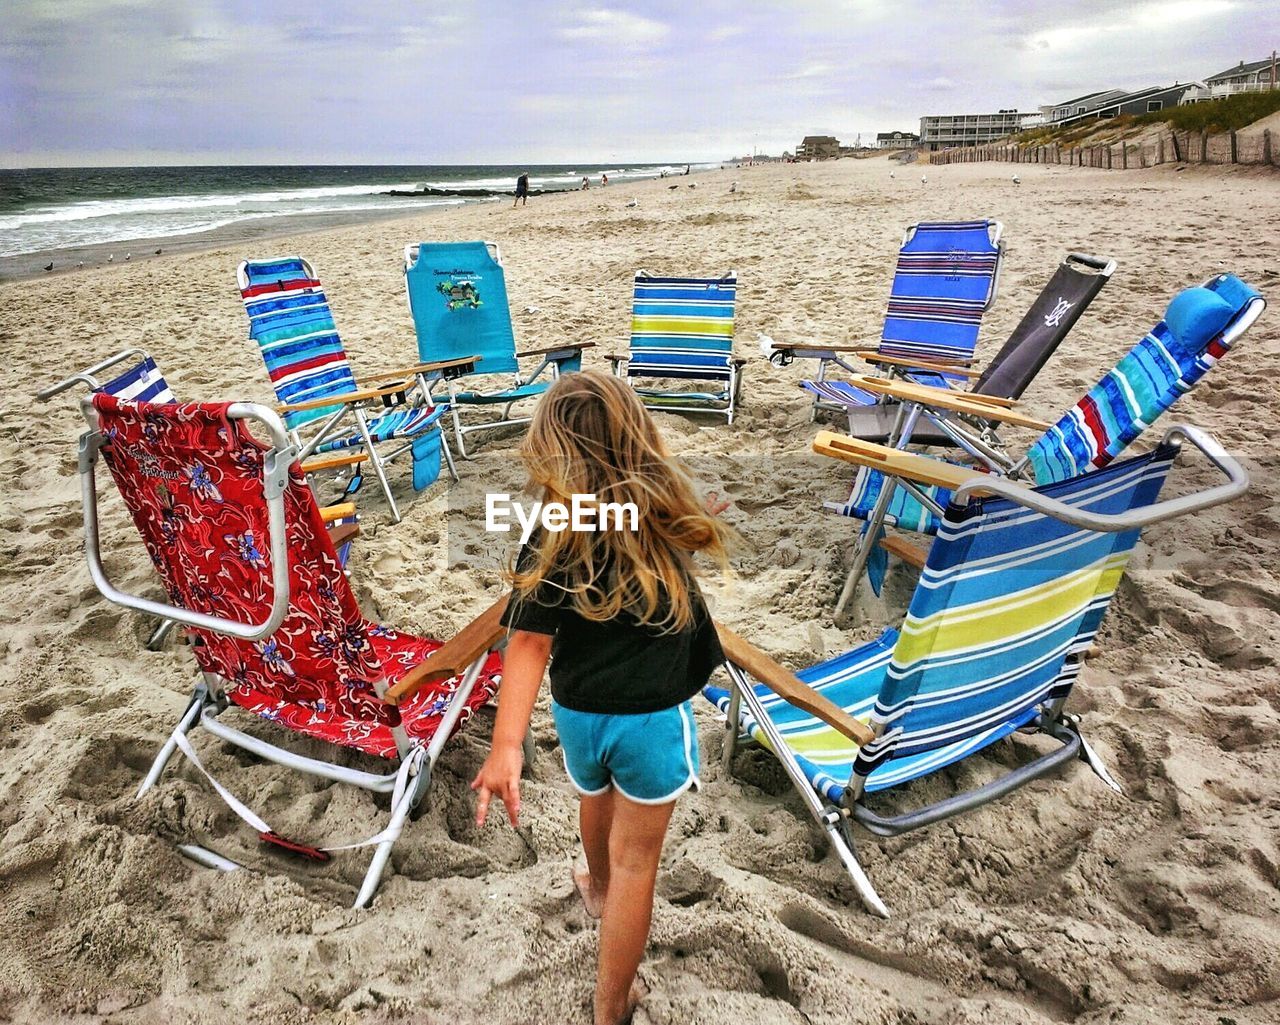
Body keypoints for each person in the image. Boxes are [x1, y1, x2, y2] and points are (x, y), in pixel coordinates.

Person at [471, 372, 731, 1025]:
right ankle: (610, 1004)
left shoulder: (552, 529)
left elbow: (527, 642)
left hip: (580, 715)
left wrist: (507, 746)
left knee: (596, 797)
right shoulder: (666, 508)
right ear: (639, 437)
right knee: (638, 858)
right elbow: (697, 530)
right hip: (650, 719)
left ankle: (596, 887)